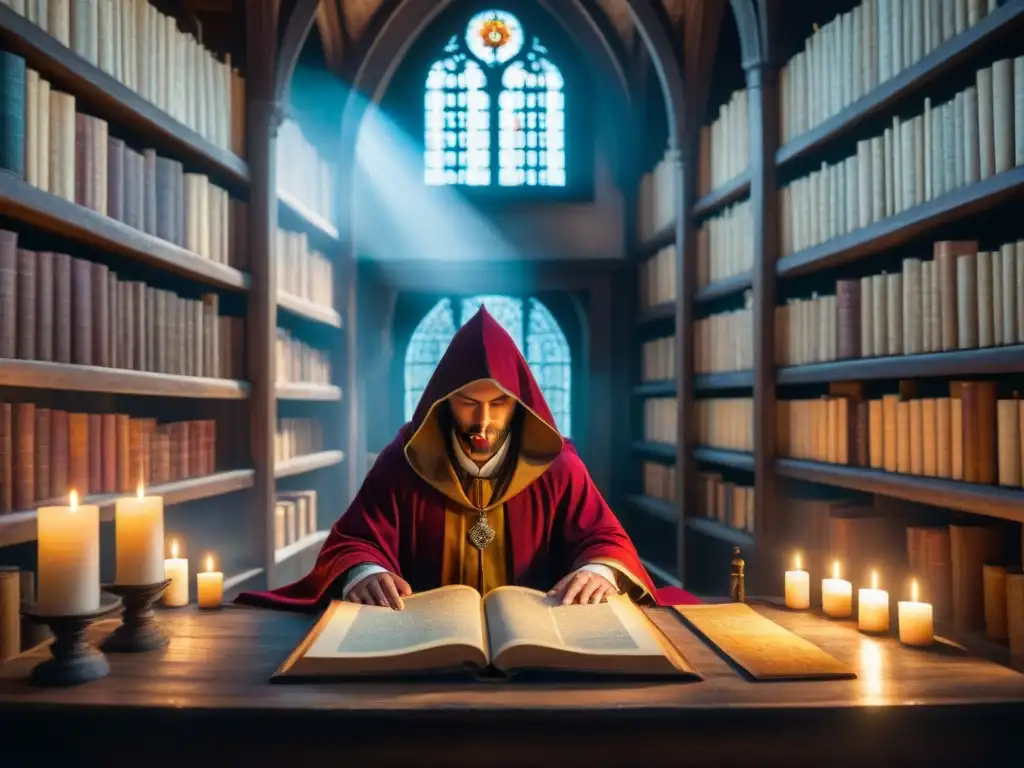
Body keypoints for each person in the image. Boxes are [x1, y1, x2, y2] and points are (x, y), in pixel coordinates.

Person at [238, 307, 699, 611]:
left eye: (498, 404)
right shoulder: (403, 463)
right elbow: (355, 539)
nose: (482, 421)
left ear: (518, 406)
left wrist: (597, 570)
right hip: (421, 648)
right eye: (467, 403)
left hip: (538, 650)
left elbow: (604, 537)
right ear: (443, 402)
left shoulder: (557, 466)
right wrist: (367, 571)